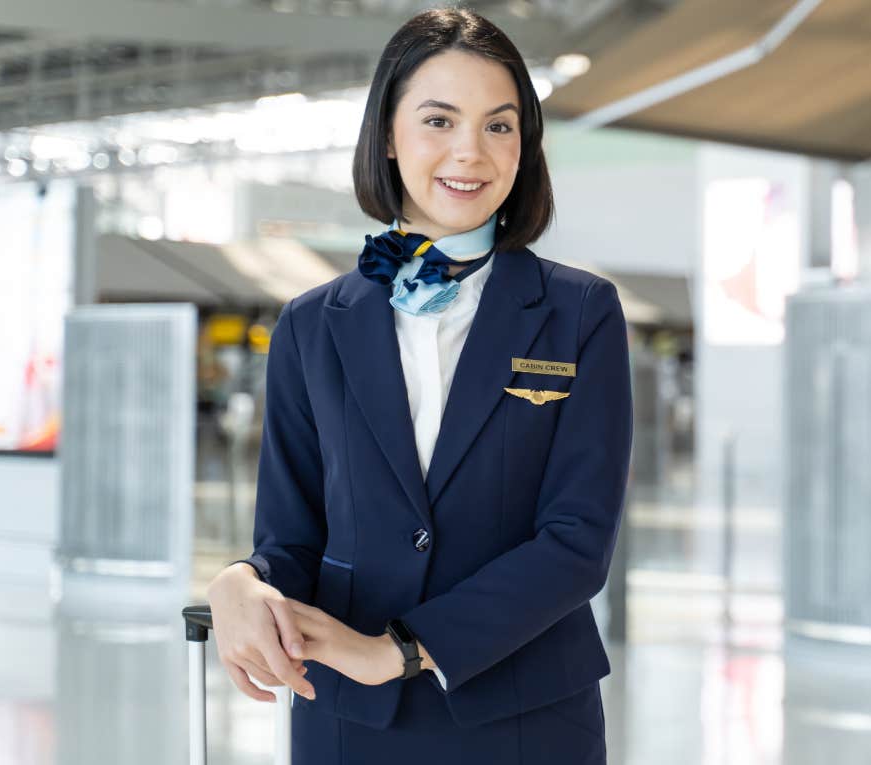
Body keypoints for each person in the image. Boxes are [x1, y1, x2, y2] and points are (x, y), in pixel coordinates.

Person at [204, 6, 632, 763]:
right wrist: (241, 579)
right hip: (347, 721)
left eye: (499, 126)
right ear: (389, 137)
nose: (471, 151)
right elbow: (293, 538)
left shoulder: (580, 312)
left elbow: (576, 542)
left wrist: (402, 648)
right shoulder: (311, 325)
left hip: (527, 714)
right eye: (439, 120)